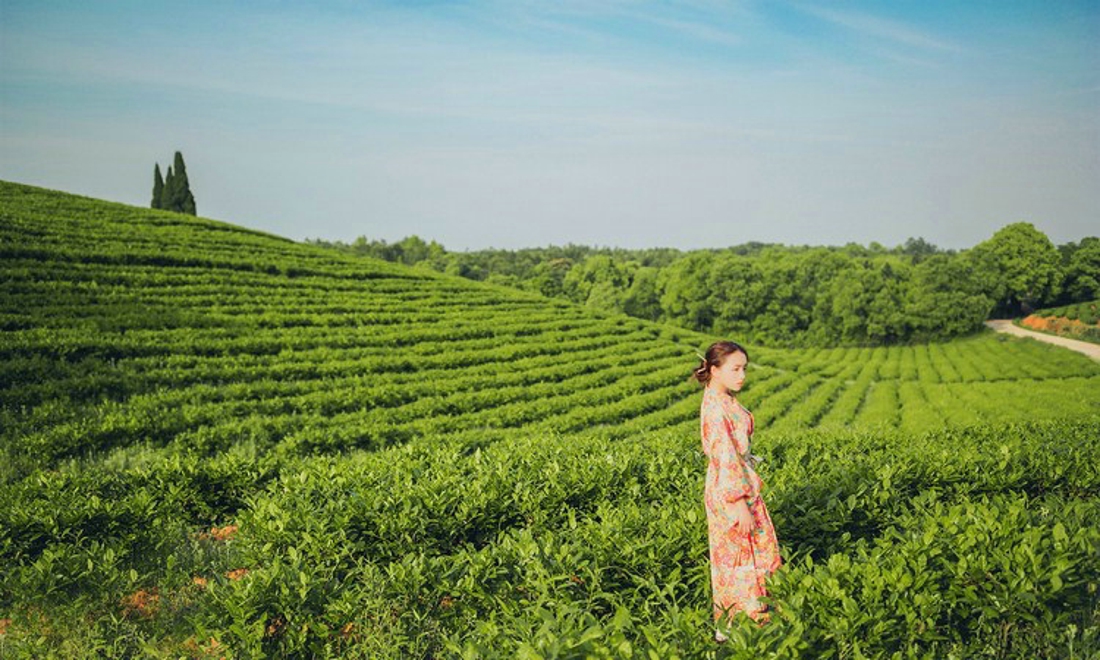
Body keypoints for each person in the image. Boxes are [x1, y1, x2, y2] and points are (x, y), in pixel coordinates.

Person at [693, 340, 781, 642]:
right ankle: (744, 629)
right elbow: (727, 457)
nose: (742, 375)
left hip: (736, 483)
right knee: (741, 560)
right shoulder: (717, 409)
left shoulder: (722, 398)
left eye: (744, 368)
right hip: (732, 492)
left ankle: (746, 624)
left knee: (746, 556)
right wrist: (738, 502)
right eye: (735, 369)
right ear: (715, 370)